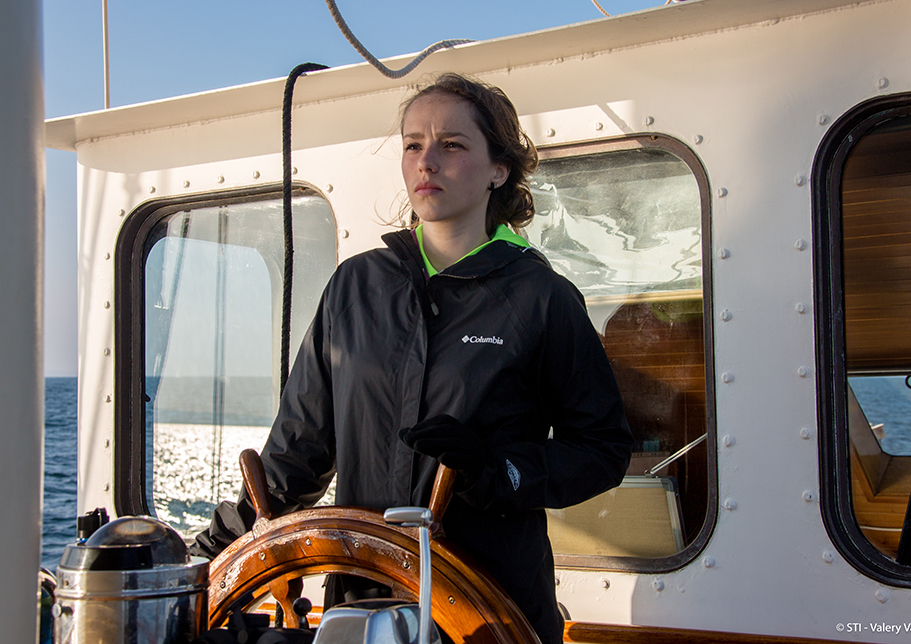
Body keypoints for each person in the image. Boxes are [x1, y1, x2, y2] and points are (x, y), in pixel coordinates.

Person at [190, 72, 633, 644]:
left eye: (452, 144)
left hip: (491, 611)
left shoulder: (541, 299)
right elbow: (293, 460)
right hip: (361, 610)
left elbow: (602, 449)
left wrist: (498, 471)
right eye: (413, 144)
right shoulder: (355, 287)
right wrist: (199, 561)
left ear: (499, 170)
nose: (427, 162)